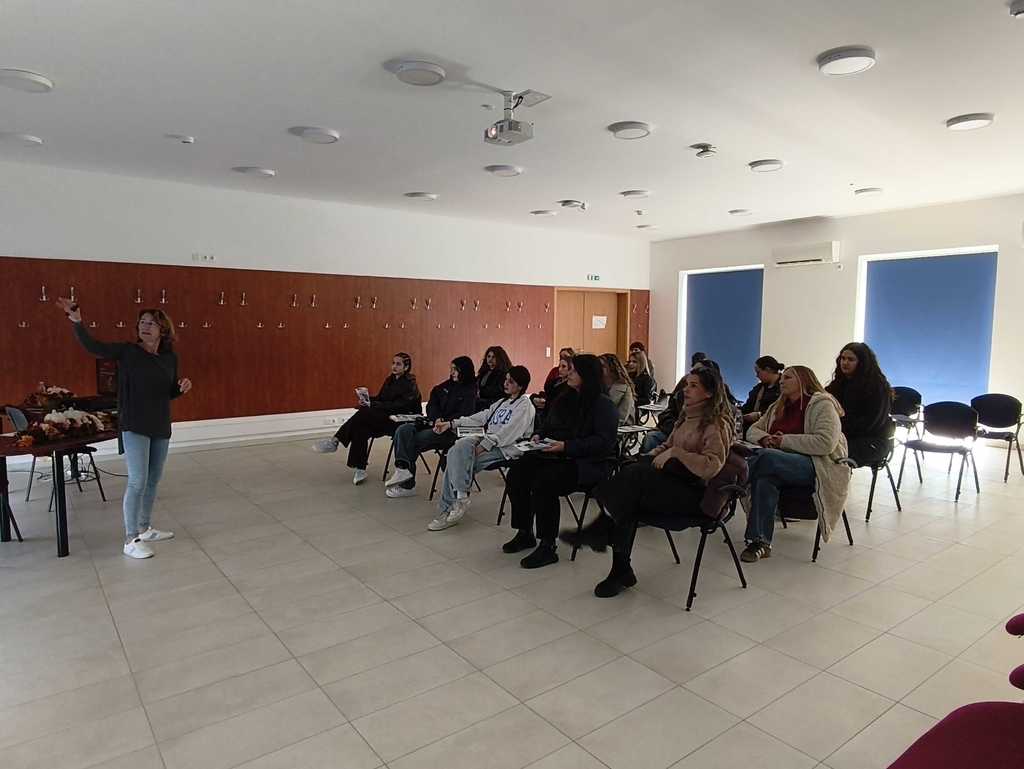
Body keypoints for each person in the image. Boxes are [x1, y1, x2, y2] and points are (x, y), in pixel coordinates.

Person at [562, 366, 733, 596]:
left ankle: (606, 542)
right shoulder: (686, 417)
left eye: (694, 386)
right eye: (686, 384)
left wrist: (677, 454)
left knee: (634, 481)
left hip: (695, 495)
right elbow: (667, 445)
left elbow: (712, 466)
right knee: (630, 493)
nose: (686, 389)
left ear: (709, 393)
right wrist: (652, 455)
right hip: (674, 484)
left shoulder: (716, 424)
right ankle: (619, 567)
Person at [56, 297, 193, 559]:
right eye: (142, 322)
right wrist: (77, 322)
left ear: (163, 329)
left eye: (151, 323)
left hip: (160, 424)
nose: (145, 326)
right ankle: (131, 539)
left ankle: (145, 527)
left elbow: (168, 391)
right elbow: (94, 347)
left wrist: (181, 388)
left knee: (153, 480)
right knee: (138, 480)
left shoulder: (169, 358)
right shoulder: (128, 352)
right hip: (134, 424)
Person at [503, 354, 618, 569]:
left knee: (544, 482)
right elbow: (548, 425)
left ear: (587, 375)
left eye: (573, 370)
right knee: (517, 473)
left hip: (588, 464)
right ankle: (525, 531)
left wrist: (566, 446)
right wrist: (538, 435)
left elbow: (603, 443)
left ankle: (548, 545)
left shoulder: (603, 405)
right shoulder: (565, 398)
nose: (567, 373)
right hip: (557, 454)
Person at [742, 365, 851, 563]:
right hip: (777, 462)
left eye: (788, 378)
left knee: (764, 457)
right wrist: (766, 438)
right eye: (782, 378)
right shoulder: (777, 406)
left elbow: (825, 443)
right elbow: (752, 430)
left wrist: (783, 441)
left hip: (816, 465)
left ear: (804, 381)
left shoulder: (823, 405)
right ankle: (760, 542)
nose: (782, 381)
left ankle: (731, 480)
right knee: (764, 478)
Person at [428, 366, 535, 531]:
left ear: (521, 386)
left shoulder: (525, 406)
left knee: (456, 460)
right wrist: (452, 423)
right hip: (487, 438)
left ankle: (448, 508)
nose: (505, 383)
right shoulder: (502, 402)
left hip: (505, 448)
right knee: (457, 448)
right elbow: (481, 417)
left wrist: (483, 447)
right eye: (506, 379)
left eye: (511, 381)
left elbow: (508, 433)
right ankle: (461, 496)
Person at [313, 353, 421, 485]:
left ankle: (335, 441)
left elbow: (399, 406)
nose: (394, 366)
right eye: (393, 363)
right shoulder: (390, 380)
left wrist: (373, 405)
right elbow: (381, 399)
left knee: (364, 414)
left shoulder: (410, 383)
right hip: (385, 417)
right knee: (360, 427)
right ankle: (360, 469)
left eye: (398, 364)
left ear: (406, 367)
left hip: (400, 421)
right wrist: (367, 400)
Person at [384, 356, 478, 498]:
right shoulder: (446, 386)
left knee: (412, 441)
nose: (452, 372)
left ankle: (407, 484)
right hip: (434, 423)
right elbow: (432, 403)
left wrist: (444, 421)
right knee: (403, 430)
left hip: (450, 430)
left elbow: (466, 414)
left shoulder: (470, 390)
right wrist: (436, 418)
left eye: (455, 370)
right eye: (451, 369)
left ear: (464, 370)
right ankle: (402, 470)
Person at [825, 342, 893, 466]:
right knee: (816, 447)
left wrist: (838, 431)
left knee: (829, 454)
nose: (845, 363)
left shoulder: (877, 386)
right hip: (843, 435)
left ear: (862, 362)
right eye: (843, 358)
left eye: (851, 359)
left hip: (872, 440)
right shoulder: (839, 383)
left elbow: (870, 423)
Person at [741, 356, 784, 432]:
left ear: (768, 369)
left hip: (775, 430)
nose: (757, 376)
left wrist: (759, 415)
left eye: (758, 372)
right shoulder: (758, 388)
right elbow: (747, 407)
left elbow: (785, 410)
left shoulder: (785, 387)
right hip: (753, 430)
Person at [532, 348, 573, 416]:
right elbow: (547, 389)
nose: (560, 369)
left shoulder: (570, 385)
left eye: (563, 367)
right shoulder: (555, 379)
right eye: (561, 357)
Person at [600, 353, 635, 426]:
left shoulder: (624, 387)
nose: (599, 369)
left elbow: (621, 417)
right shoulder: (599, 385)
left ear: (612, 368)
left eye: (602, 366)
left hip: (621, 426)